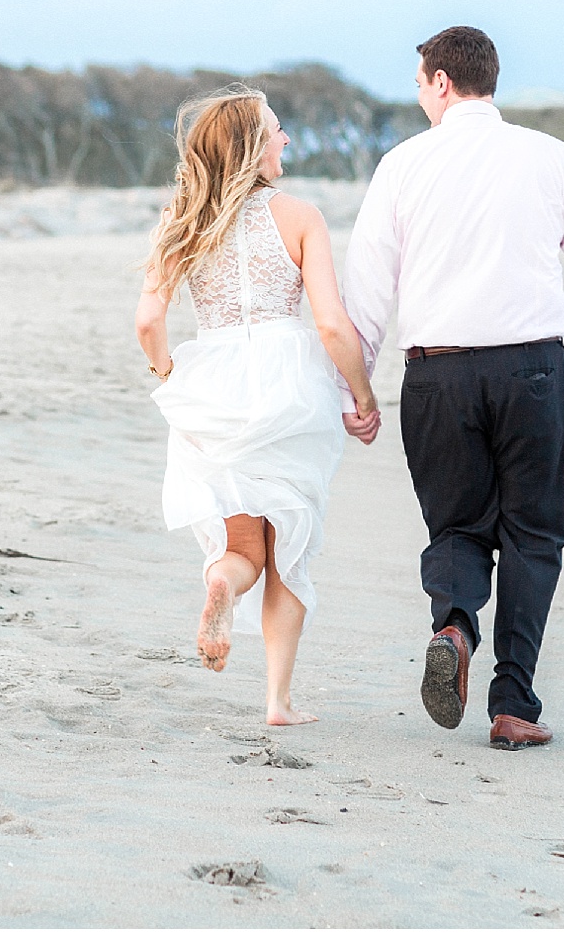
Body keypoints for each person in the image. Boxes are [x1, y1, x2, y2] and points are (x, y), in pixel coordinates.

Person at [339, 26, 564, 751]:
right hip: (532, 371)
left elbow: (366, 292)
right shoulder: (549, 157)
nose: (421, 95)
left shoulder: (401, 165)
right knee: (533, 533)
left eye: (421, 82)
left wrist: (354, 390)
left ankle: (453, 623)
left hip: (438, 370)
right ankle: (512, 703)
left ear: (443, 82)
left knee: (456, 526)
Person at [135, 85, 381, 726]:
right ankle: (278, 701)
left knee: (242, 542)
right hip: (289, 385)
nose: (286, 139)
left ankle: (222, 583)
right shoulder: (301, 215)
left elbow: (147, 321)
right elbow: (330, 324)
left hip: (212, 385)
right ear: (251, 146)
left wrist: (169, 378)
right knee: (291, 547)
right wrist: (362, 394)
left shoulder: (183, 218)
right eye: (276, 129)